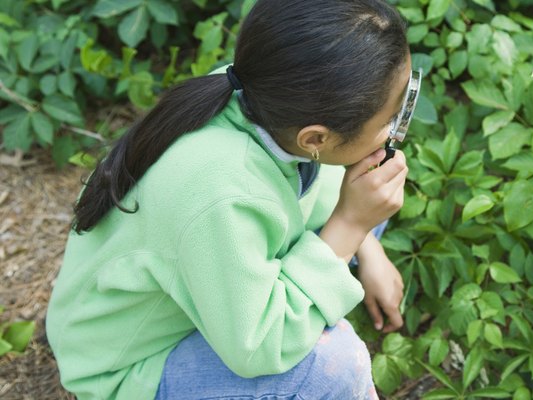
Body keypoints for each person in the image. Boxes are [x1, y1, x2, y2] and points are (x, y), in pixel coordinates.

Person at [45, 0, 414, 398]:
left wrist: (366, 245)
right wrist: (352, 226)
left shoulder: (264, 96)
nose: (396, 132)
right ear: (315, 139)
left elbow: (320, 195)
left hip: (209, 290)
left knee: (368, 195)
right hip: (128, 367)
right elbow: (258, 347)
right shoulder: (222, 192)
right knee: (332, 366)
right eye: (390, 121)